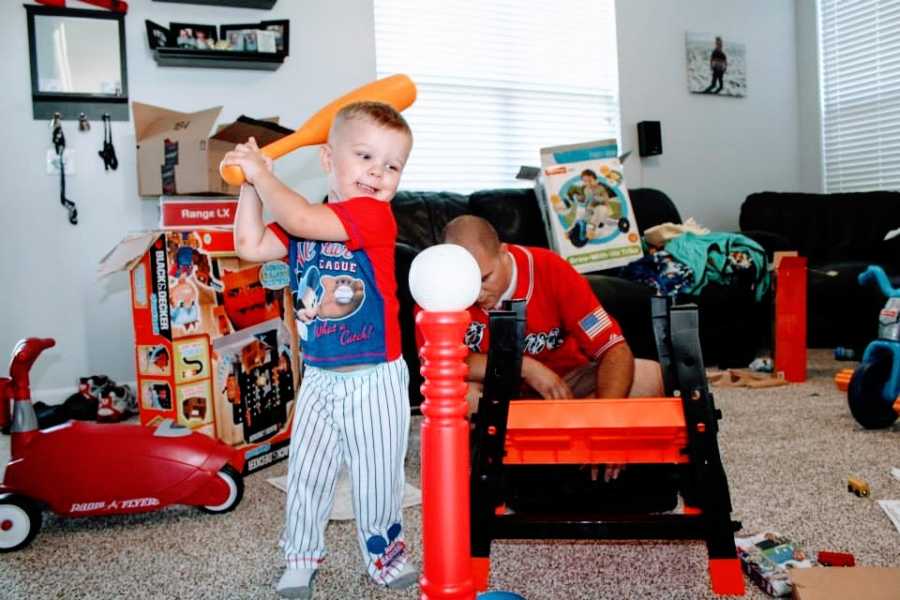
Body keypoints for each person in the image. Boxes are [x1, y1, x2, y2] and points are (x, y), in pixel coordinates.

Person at [223, 101, 417, 599]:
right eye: (366, 156)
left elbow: (304, 218)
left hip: (374, 375)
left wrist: (265, 174)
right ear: (328, 160)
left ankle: (385, 552)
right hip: (321, 375)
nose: (378, 172)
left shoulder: (374, 217)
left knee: (377, 475)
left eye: (392, 165)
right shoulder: (301, 221)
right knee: (307, 472)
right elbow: (249, 244)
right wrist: (249, 182)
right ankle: (300, 557)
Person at [442, 215, 664, 480]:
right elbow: (441, 364)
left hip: (565, 390)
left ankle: (569, 442)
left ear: (504, 252)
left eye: (485, 278)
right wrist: (525, 367)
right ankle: (548, 448)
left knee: (649, 375)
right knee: (457, 394)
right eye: (468, 283)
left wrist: (606, 422)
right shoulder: (438, 285)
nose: (476, 293)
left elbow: (614, 348)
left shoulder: (551, 268)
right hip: (497, 398)